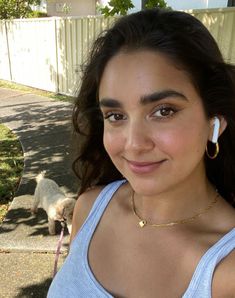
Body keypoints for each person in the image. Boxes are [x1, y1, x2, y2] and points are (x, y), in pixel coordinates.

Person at [48, 8, 235, 297]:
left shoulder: (227, 270)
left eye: (164, 111)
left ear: (215, 122)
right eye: (115, 115)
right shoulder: (89, 208)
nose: (133, 144)